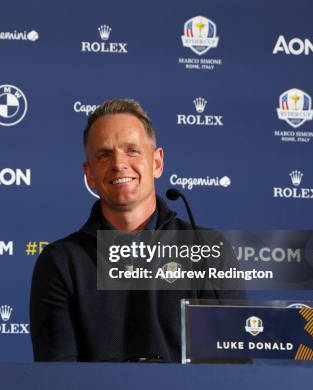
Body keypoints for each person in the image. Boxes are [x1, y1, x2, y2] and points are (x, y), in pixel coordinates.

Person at [29, 99, 240, 362]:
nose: (119, 163)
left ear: (157, 162)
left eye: (132, 150)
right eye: (104, 154)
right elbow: (58, 378)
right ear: (89, 175)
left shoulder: (210, 250)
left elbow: (229, 369)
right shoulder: (60, 262)